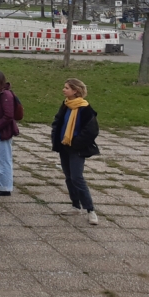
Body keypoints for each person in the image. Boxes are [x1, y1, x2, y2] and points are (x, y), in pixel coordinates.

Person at [51, 78, 100, 225]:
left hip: (76, 149)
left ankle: (90, 210)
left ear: (75, 91)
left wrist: (77, 142)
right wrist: (56, 136)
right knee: (69, 177)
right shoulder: (66, 105)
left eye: (66, 88)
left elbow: (92, 130)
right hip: (64, 146)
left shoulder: (85, 108)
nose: (63, 90)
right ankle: (75, 205)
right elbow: (58, 121)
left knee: (77, 177)